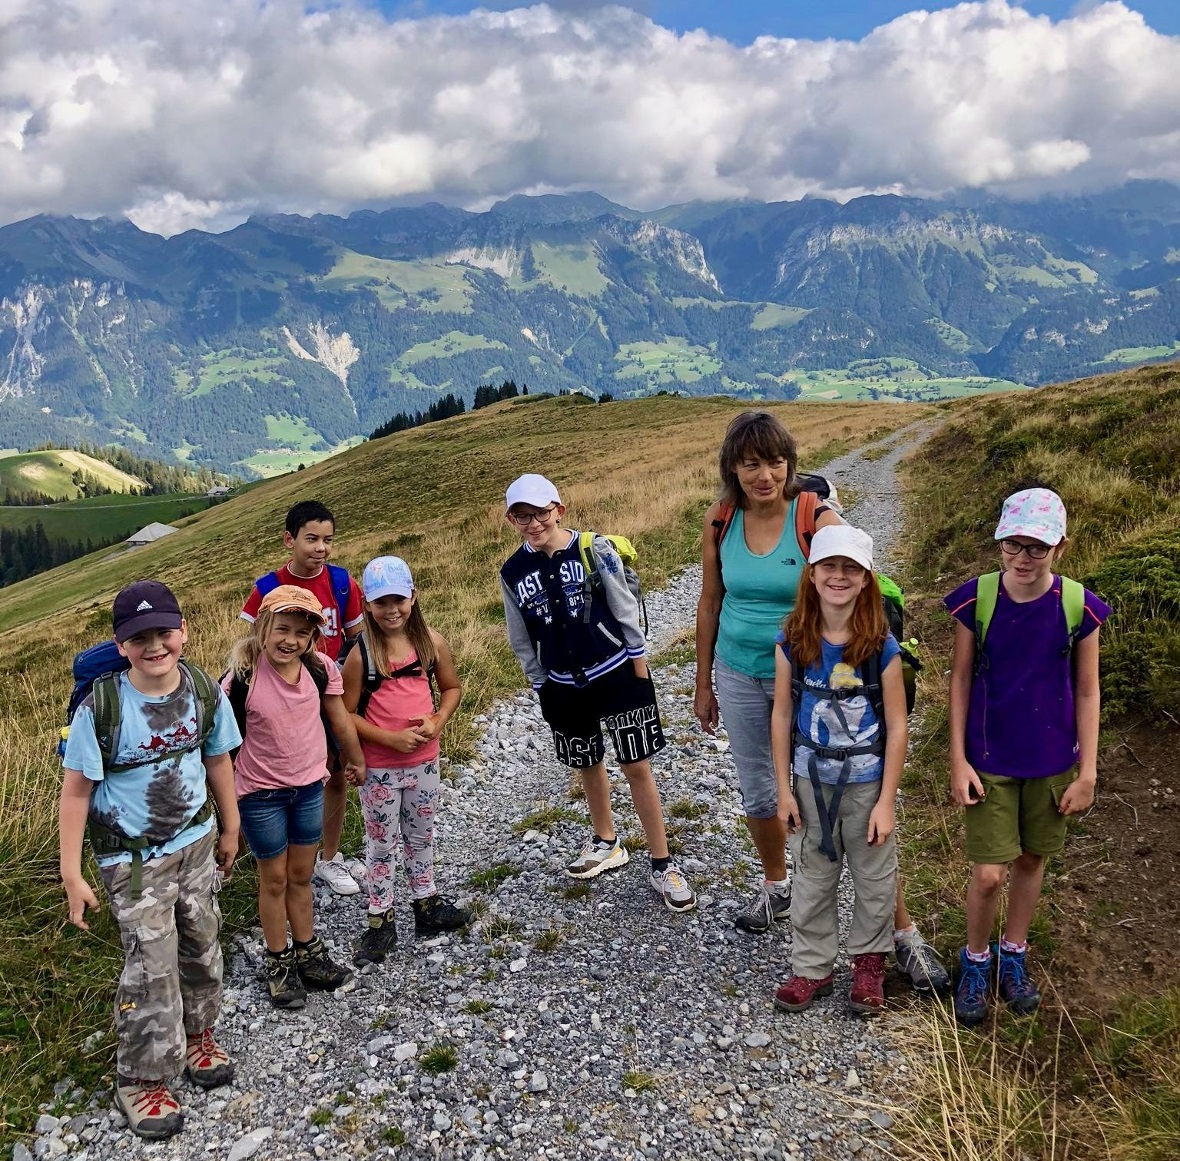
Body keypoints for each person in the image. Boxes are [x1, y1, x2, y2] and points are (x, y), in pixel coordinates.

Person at [694, 411, 949, 995]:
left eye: (775, 462)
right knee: (763, 791)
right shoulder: (720, 520)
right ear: (733, 467)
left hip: (817, 677)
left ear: (789, 463)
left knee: (848, 803)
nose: (765, 475)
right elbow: (710, 601)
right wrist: (704, 681)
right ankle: (780, 885)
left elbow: (857, 579)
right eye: (751, 463)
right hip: (740, 671)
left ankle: (900, 933)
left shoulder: (815, 516)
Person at [59, 580, 242, 1141]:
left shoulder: (204, 690)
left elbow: (217, 759)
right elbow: (76, 792)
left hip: (196, 844)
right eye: (140, 637)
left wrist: (230, 824)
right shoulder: (103, 709)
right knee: (151, 965)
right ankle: (141, 1077)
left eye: (164, 632)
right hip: (134, 863)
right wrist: (72, 872)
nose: (154, 645)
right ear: (121, 645)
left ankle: (197, 1037)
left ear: (183, 632)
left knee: (203, 946)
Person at [944, 488, 1109, 1026]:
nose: (1022, 558)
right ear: (1000, 542)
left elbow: (1087, 690)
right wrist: (957, 760)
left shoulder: (1079, 607)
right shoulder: (977, 599)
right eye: (1013, 545)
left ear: (1059, 547)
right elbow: (961, 679)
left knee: (1032, 860)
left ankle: (1012, 956)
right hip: (988, 757)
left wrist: (1087, 771)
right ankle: (976, 961)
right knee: (989, 874)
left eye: (1036, 548)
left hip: (1051, 759)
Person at [500, 473, 696, 912]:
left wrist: (638, 662)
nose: (533, 523)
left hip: (616, 673)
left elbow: (624, 604)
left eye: (541, 513)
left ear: (559, 510)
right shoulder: (512, 572)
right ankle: (607, 841)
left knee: (636, 764)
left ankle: (662, 863)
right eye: (522, 516)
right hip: (562, 685)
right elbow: (518, 634)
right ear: (511, 519)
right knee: (587, 762)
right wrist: (539, 681)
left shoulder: (594, 548)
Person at [770, 526, 906, 1017]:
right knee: (812, 874)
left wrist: (887, 801)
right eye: (829, 566)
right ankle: (812, 967)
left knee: (874, 876)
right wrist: (785, 791)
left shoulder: (881, 648)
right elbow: (782, 714)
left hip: (867, 784)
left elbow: (896, 726)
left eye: (851, 568)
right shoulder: (793, 641)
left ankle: (868, 963)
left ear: (867, 579)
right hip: (809, 782)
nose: (839, 576)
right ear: (812, 574)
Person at [225, 585, 365, 1009]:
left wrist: (355, 758)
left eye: (301, 634)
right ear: (263, 626)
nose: (290, 640)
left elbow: (339, 720)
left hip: (308, 789)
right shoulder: (241, 678)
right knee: (275, 879)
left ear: (313, 639)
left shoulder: (321, 669)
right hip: (259, 796)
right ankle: (279, 961)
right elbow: (221, 746)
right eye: (282, 628)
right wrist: (225, 810)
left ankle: (308, 951)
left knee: (302, 876)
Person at [341, 556, 471, 965]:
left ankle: (426, 905)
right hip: (379, 767)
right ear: (368, 606)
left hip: (425, 763)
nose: (392, 610)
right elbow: (345, 714)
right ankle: (381, 919)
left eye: (399, 599)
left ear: (413, 597)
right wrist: (389, 740)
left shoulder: (431, 643)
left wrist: (437, 720)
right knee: (381, 844)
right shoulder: (360, 654)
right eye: (381, 603)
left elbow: (451, 687)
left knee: (420, 836)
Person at [241, 500, 365, 896]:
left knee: (332, 772)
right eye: (311, 539)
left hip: (328, 694)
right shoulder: (265, 588)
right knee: (276, 775)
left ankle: (327, 859)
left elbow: (358, 641)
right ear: (289, 540)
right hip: (277, 701)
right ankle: (274, 858)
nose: (321, 549)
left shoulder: (343, 583)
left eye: (328, 540)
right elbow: (246, 646)